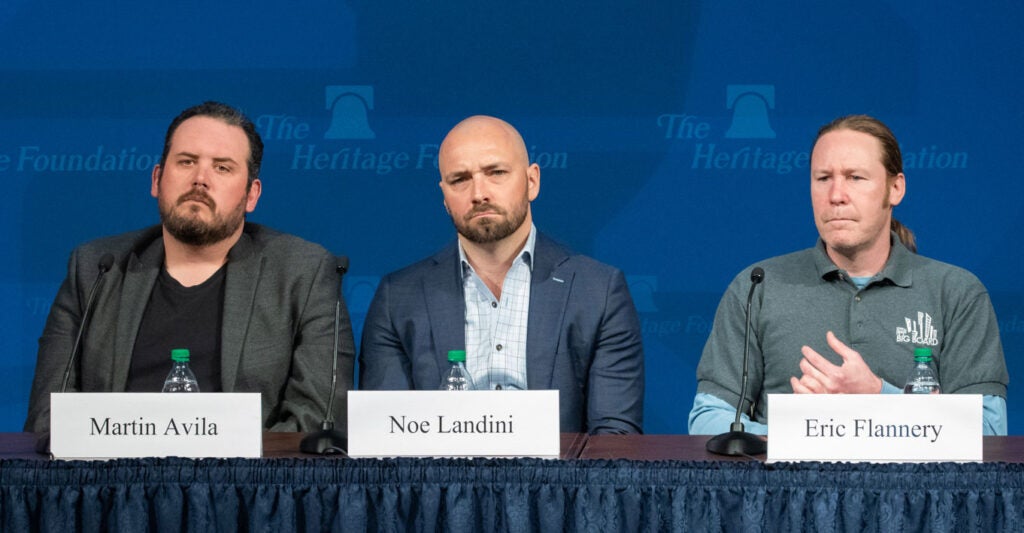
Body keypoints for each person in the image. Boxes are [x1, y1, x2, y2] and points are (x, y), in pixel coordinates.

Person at [25, 101, 354, 433]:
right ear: (157, 179)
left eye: (222, 167)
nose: (200, 179)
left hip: (245, 467)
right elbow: (49, 414)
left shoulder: (303, 273)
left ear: (251, 195)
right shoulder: (95, 269)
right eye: (186, 162)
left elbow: (314, 420)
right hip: (113, 465)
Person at [689, 114, 1009, 436]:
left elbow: (989, 431)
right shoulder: (757, 286)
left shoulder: (956, 293)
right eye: (823, 178)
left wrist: (878, 396)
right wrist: (803, 436)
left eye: (855, 177)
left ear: (895, 188)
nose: (836, 195)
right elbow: (708, 420)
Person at [359, 115, 644, 434]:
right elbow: (384, 437)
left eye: (496, 173)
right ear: (444, 196)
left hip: (559, 469)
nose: (479, 193)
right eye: (460, 179)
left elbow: (614, 438)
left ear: (532, 181)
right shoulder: (398, 298)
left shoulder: (598, 292)